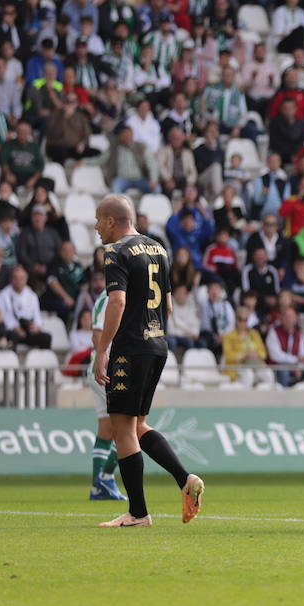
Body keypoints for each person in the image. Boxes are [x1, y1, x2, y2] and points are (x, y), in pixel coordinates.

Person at [92, 194, 205, 528]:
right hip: (158, 345)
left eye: (99, 220)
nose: (97, 228)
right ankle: (186, 480)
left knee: (121, 429)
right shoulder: (158, 248)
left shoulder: (114, 252)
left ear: (112, 220)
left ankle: (138, 513)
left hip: (130, 348)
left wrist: (103, 349)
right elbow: (167, 307)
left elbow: (117, 301)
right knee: (139, 425)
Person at [85, 285, 127, 502]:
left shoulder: (115, 295)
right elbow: (97, 334)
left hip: (102, 370)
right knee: (129, 425)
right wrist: (106, 360)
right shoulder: (110, 297)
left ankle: (97, 487)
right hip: (106, 370)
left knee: (106, 428)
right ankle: (106, 476)